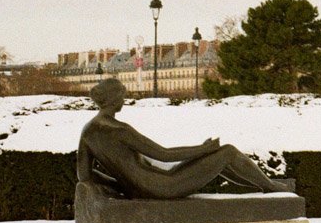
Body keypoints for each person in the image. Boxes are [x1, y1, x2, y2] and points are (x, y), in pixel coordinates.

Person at [76, 78, 290, 199]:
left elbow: (84, 175)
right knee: (227, 152)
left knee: (216, 159)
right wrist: (203, 149)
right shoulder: (119, 130)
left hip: (144, 187)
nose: (125, 99)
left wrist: (123, 184)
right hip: (163, 186)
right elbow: (164, 154)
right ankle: (270, 188)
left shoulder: (89, 132)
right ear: (114, 99)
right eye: (122, 96)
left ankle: (263, 187)